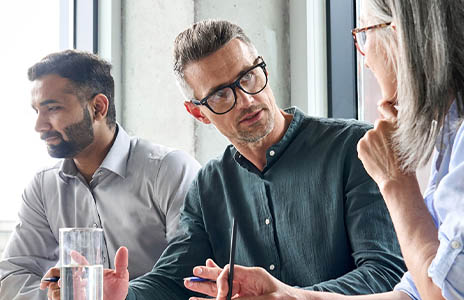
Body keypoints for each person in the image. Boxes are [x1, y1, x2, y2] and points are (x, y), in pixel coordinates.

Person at [88, 19, 406, 300]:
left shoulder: (356, 147)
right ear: (198, 113)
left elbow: (386, 272)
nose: (247, 100)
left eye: (249, 77)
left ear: (263, 69)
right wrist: (121, 294)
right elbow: (177, 279)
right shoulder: (209, 185)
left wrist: (291, 297)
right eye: (221, 95)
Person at [210, 0, 464, 299]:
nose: (365, 59)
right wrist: (288, 296)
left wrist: (395, 181)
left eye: (365, 34)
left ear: (399, 37)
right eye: (222, 94)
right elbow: (413, 293)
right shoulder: (451, 138)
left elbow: (442, 294)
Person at [0, 50, 201, 300]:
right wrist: (63, 297)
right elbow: (13, 274)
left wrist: (116, 296)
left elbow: (192, 272)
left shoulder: (169, 171)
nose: (39, 126)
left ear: (98, 108)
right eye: (37, 111)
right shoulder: (43, 187)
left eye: (52, 109)